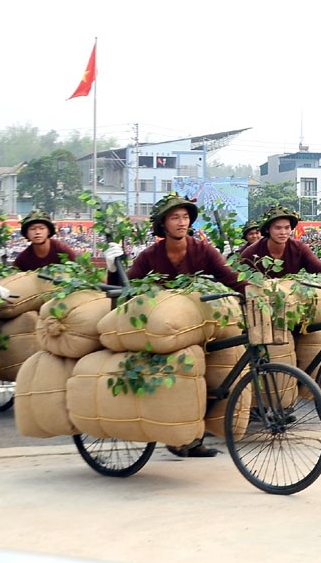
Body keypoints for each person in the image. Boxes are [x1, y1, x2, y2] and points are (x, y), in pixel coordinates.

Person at [103, 192, 247, 458]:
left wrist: (253, 291)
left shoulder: (203, 250)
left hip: (197, 328)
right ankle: (177, 434)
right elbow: (124, 290)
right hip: (164, 334)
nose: (181, 222)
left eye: (184, 217)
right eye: (174, 218)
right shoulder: (150, 256)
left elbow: (229, 278)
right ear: (163, 225)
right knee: (179, 376)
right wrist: (113, 267)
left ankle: (193, 437)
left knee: (214, 373)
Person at [240, 206, 321, 287]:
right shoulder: (251, 252)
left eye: (287, 228)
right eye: (278, 228)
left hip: (291, 299)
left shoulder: (299, 248)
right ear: (267, 230)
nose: (283, 232)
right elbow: (236, 278)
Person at [13, 211, 82, 271]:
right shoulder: (23, 259)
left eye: (42, 228)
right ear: (27, 234)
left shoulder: (61, 249)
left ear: (48, 231)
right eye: (33, 229)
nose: (37, 232)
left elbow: (79, 269)